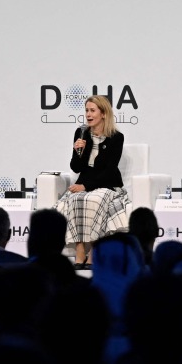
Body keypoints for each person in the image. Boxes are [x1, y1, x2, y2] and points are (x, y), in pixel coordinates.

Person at [54, 94, 130, 267]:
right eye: (86, 110)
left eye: (92, 111)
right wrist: (77, 151)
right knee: (74, 200)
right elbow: (76, 167)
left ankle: (94, 251)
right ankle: (80, 250)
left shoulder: (116, 137)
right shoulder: (81, 133)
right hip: (85, 183)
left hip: (107, 184)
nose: (88, 114)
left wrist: (86, 186)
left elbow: (109, 169)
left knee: (94, 199)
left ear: (103, 113)